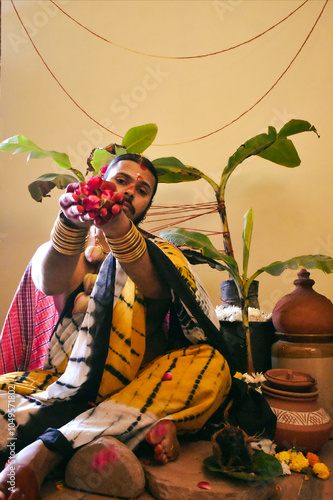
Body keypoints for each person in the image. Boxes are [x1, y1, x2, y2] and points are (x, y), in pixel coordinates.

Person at [0, 153, 232, 499]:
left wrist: (119, 231)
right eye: (121, 180)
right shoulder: (67, 251)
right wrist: (71, 223)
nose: (128, 191)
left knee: (213, 366)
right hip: (65, 384)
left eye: (142, 189)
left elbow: (153, 285)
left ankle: (46, 449)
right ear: (103, 181)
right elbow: (49, 281)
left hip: (142, 383)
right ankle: (124, 430)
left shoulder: (159, 254)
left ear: (146, 205)